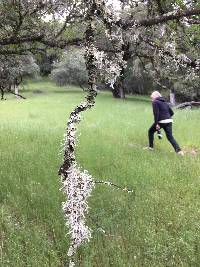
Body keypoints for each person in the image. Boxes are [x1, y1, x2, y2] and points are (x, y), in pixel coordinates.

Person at [145, 91, 184, 155]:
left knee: (150, 131)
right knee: (170, 137)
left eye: (152, 97)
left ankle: (151, 148)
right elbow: (172, 113)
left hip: (161, 121)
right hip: (169, 121)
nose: (151, 99)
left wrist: (156, 123)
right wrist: (166, 117)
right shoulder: (165, 103)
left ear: (156, 96)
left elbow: (156, 114)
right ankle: (179, 151)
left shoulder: (155, 102)